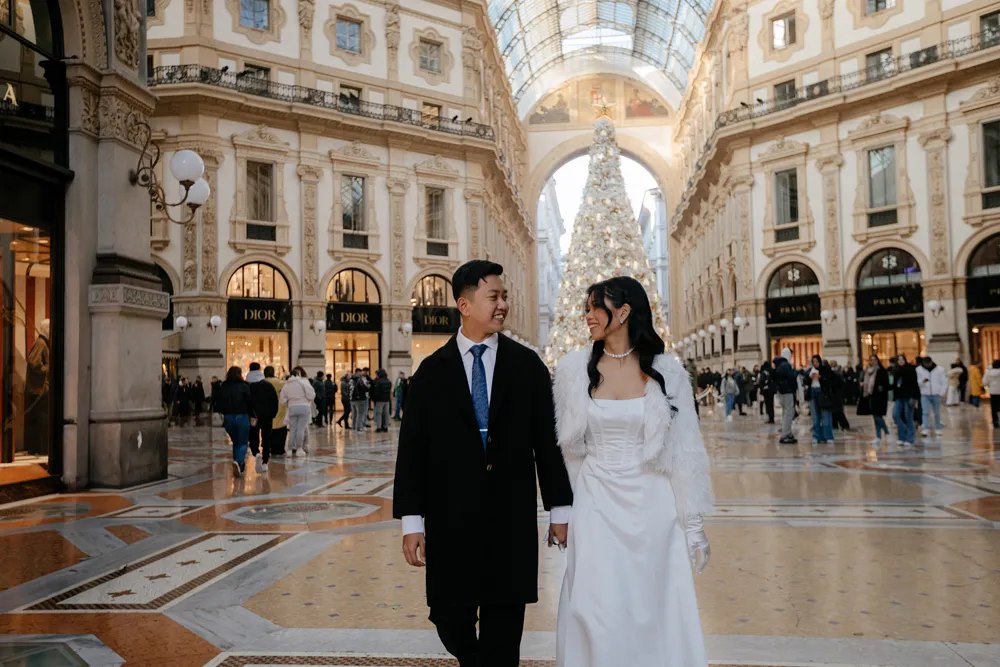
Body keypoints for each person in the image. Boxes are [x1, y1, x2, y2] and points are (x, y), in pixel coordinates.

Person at [393, 260, 573, 667]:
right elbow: (413, 453)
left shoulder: (527, 368)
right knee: (450, 621)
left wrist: (559, 508)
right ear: (465, 303)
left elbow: (548, 443)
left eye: (504, 296)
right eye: (493, 296)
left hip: (510, 520)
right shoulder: (430, 373)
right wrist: (412, 522)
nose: (503, 304)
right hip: (451, 522)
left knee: (505, 633)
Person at [553, 276, 711, 667]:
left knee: (650, 605)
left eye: (595, 307)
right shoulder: (574, 372)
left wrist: (692, 524)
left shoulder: (667, 372)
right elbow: (569, 452)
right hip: (595, 503)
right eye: (586, 307)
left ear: (622, 313)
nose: (586, 315)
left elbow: (685, 448)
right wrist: (565, 509)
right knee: (592, 605)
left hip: (651, 504)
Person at [213, 366, 255, 477]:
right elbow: (250, 403)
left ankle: (240, 467)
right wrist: (253, 415)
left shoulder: (223, 387)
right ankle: (238, 460)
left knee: (236, 441)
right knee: (243, 442)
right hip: (242, 416)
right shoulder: (245, 386)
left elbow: (217, 402)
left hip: (228, 418)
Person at [247, 362, 279, 474]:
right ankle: (265, 461)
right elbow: (275, 401)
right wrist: (272, 414)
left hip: (253, 417)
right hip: (267, 417)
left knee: (253, 436)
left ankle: (256, 453)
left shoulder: (248, 386)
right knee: (266, 438)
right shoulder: (268, 385)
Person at [280, 367, 315, 455]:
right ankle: (299, 449)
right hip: (304, 407)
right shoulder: (303, 382)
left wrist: (289, 403)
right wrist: (306, 400)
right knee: (301, 429)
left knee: (292, 430)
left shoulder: (286, 384)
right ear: (298, 375)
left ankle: (289, 450)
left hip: (292, 407)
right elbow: (311, 395)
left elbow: (282, 399)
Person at [861, 354, 890, 448]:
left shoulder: (881, 371)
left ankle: (886, 431)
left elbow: (885, 383)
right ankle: (878, 436)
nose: (872, 361)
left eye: (874, 360)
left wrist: (880, 388)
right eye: (871, 360)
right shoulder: (868, 371)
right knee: (874, 416)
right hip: (870, 395)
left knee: (878, 416)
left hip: (879, 396)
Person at [807, 355, 837, 444]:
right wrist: (809, 378)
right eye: (814, 362)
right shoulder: (810, 371)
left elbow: (832, 381)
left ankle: (828, 436)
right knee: (815, 417)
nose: (815, 364)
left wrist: (821, 378)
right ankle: (817, 436)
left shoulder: (825, 370)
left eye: (817, 361)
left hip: (823, 394)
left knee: (825, 416)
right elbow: (805, 382)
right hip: (813, 394)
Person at [892, 355, 920, 447]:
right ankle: (902, 436)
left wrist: (914, 397)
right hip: (899, 397)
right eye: (898, 360)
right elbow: (894, 385)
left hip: (908, 396)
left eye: (902, 359)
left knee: (908, 417)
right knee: (896, 415)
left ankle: (909, 438)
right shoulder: (896, 371)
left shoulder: (910, 370)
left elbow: (915, 384)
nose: (900, 361)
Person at [917, 356, 947, 437]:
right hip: (925, 394)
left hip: (936, 394)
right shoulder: (919, 369)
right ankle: (925, 428)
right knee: (925, 412)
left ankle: (937, 428)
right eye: (925, 364)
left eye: (928, 364)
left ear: (931, 362)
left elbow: (944, 381)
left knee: (936, 412)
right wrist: (922, 382)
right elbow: (917, 382)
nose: (927, 365)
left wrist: (941, 393)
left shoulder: (939, 369)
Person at [774, 353, 798, 444]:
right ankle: (786, 434)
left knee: (785, 413)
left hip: (781, 392)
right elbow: (791, 377)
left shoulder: (778, 367)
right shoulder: (786, 365)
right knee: (789, 413)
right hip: (788, 392)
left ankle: (786, 432)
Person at [265, 366, 288, 457]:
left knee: (268, 431)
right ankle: (279, 450)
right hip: (279, 409)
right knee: (280, 431)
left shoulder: (262, 382)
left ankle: (270, 448)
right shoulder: (279, 382)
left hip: (266, 410)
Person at [828, 360, 850, 431]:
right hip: (837, 394)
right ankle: (836, 424)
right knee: (836, 410)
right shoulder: (838, 372)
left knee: (838, 411)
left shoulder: (835, 373)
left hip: (836, 394)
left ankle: (842, 424)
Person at [985, 360, 1000, 428]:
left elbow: (984, 382)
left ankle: (995, 422)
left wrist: (989, 385)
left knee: (994, 407)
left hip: (993, 392)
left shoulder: (988, 372)